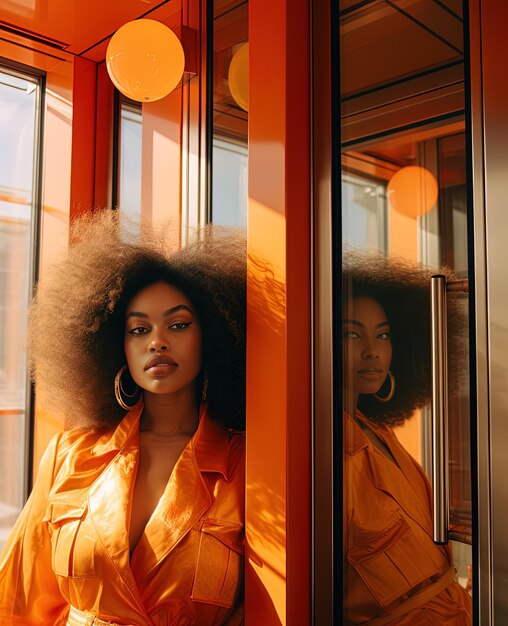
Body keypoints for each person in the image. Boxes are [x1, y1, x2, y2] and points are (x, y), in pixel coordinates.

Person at [0, 212, 246, 626]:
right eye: (138, 330)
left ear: (214, 337)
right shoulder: (69, 453)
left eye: (179, 324)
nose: (157, 341)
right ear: (115, 346)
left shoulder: (244, 464)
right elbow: (20, 603)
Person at [342, 253, 472, 626]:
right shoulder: (321, 446)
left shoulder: (376, 430)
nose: (372, 349)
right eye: (351, 334)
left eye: (383, 334)